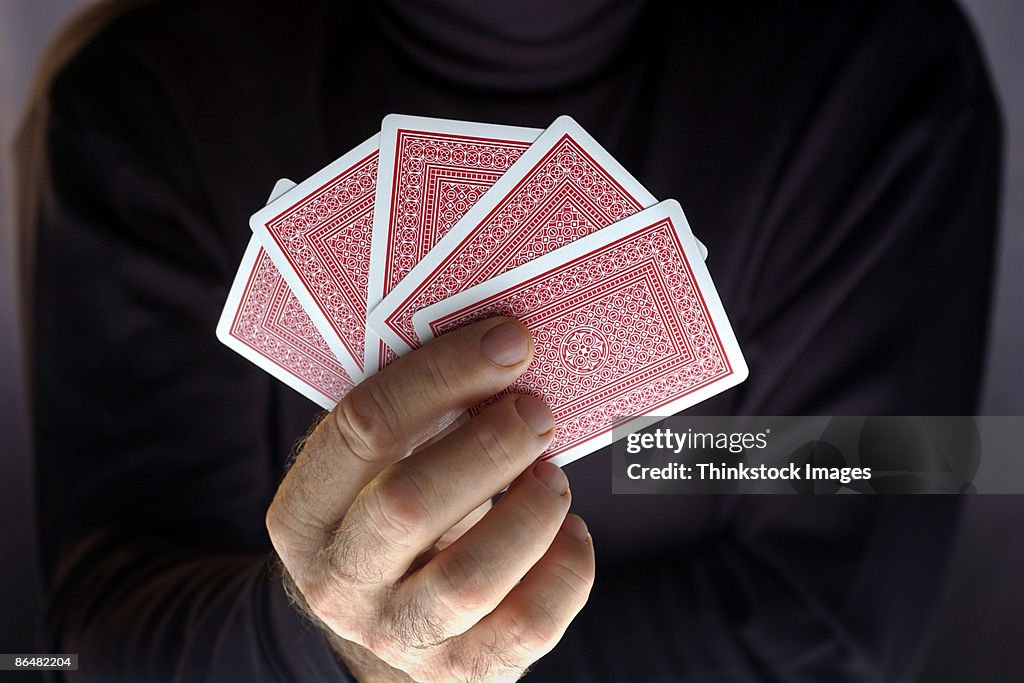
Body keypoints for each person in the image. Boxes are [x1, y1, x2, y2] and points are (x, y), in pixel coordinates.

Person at [22, 0, 1000, 680]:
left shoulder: (888, 81)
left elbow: (833, 634)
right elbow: (88, 635)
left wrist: (378, 662)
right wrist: (316, 646)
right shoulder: (139, 94)